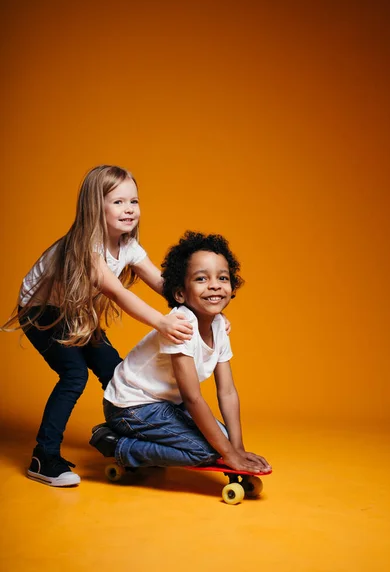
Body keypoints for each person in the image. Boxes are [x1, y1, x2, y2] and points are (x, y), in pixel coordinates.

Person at [1, 165, 194, 487]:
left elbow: (163, 284)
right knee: (73, 375)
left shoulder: (128, 246)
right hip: (41, 312)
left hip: (75, 312)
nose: (129, 209)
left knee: (116, 373)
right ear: (95, 207)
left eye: (134, 201)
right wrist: (162, 322)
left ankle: (130, 441)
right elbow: (116, 292)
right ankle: (43, 456)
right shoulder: (85, 248)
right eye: (118, 202)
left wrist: (200, 310)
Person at [90, 231, 270, 474]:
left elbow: (226, 391)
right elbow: (193, 397)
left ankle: (158, 444)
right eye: (201, 279)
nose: (215, 285)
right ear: (180, 294)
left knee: (225, 439)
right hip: (131, 406)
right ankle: (118, 444)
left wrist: (237, 449)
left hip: (166, 404)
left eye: (223, 278)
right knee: (208, 451)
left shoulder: (218, 325)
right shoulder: (181, 325)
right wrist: (228, 454)